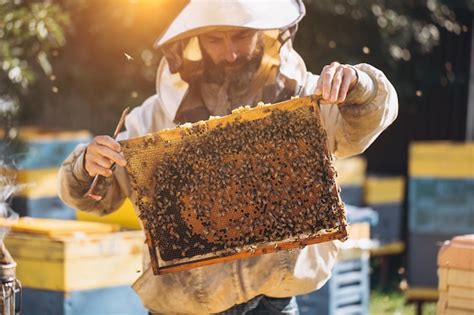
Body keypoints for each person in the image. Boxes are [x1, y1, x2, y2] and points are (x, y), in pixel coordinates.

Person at [58, 0, 398, 313]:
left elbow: (365, 123)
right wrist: (85, 167)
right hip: (184, 307)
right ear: (194, 43)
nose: (231, 53)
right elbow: (96, 199)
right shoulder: (152, 118)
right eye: (215, 41)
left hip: (273, 303)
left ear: (264, 34)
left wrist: (359, 84)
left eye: (240, 36)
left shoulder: (304, 97)